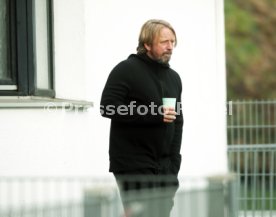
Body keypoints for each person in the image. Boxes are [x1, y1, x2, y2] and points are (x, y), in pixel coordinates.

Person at [100, 19, 183, 217]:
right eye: (164, 42)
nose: (170, 47)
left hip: (165, 168)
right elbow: (108, 107)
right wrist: (153, 113)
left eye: (173, 42)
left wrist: (174, 162)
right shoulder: (126, 69)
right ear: (147, 44)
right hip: (133, 165)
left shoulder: (174, 78)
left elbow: (178, 122)